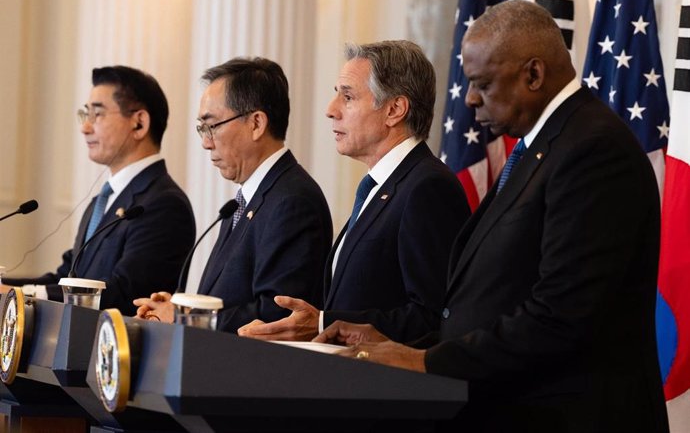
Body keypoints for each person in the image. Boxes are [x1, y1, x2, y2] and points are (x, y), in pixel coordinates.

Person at [312, 0, 670, 433]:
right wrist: (393, 344)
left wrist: (424, 359)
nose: (470, 98)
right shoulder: (542, 148)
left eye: (482, 82)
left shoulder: (592, 151)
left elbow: (561, 316)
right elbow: (484, 304)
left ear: (533, 75)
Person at [238, 40, 470, 343]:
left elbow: (432, 317)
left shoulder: (427, 187)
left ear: (394, 110)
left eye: (347, 97)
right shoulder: (381, 187)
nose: (331, 110)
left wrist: (324, 323)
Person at [133, 57, 333, 333]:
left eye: (212, 126)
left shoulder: (293, 201)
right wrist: (180, 308)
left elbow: (276, 315)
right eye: (202, 128)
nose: (205, 142)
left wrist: (186, 317)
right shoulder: (247, 198)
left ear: (256, 124)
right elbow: (233, 298)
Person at [4, 66, 196, 316]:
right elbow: (68, 277)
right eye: (86, 114)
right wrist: (10, 289)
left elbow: (127, 294)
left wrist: (21, 294)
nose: (85, 127)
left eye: (97, 114)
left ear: (139, 123)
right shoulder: (103, 200)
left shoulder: (165, 204)